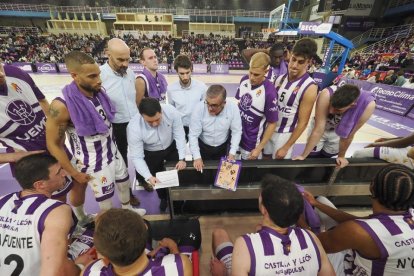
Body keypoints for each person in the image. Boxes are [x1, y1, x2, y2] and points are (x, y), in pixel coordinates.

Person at [46, 51, 146, 216]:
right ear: (74, 76)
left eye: (98, 75)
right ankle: (87, 219)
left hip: (112, 149)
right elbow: (53, 144)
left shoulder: (99, 93)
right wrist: (73, 172)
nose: (98, 80)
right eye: (92, 76)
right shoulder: (62, 106)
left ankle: (128, 210)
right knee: (105, 198)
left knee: (124, 182)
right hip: (92, 159)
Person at [210, 175, 335, 276]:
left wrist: (222, 274)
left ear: (264, 209)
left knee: (219, 234)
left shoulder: (244, 244)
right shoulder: (311, 236)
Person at [302, 164, 414, 276]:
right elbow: (363, 222)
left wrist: (299, 217)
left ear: (372, 188)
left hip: (347, 268)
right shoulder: (408, 215)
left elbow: (313, 244)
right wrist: (316, 203)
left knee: (303, 257)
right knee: (322, 200)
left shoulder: (356, 231)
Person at [0, 153, 95, 276]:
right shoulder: (57, 211)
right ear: (40, 184)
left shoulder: (2, 200)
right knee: (97, 237)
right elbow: (55, 271)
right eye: (59, 172)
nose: (64, 173)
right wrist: (80, 265)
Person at [0, 62, 78, 203]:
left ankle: (79, 218)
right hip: (31, 162)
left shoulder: (14, 72)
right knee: (52, 199)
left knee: (72, 182)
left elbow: (41, 99)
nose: (1, 74)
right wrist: (13, 156)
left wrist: (54, 124)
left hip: (54, 145)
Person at [81, 208, 193, 275]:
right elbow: (178, 263)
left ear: (104, 257)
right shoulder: (180, 264)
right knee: (191, 230)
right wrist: (173, 247)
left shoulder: (90, 271)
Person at [294, 84, 376, 168]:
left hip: (337, 132)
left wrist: (341, 156)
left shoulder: (368, 105)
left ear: (352, 105)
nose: (331, 111)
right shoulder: (327, 94)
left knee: (327, 156)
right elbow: (318, 129)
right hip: (320, 127)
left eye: (337, 109)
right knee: (312, 155)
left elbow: (349, 134)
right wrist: (303, 155)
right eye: (331, 106)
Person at [100, 38, 140, 206]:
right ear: (107, 54)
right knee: (121, 161)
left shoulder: (130, 73)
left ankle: (143, 179)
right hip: (116, 126)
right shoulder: (99, 75)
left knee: (140, 153)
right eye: (120, 60)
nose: (125, 64)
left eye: (128, 59)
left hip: (135, 122)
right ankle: (127, 192)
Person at [263, 38, 318, 160]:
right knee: (264, 162)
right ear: (290, 56)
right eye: (293, 59)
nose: (294, 65)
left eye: (300, 62)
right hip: (269, 129)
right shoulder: (279, 79)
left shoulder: (310, 87)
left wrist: (287, 146)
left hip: (284, 135)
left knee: (277, 171)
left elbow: (303, 122)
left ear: (308, 62)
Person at [127, 98, 186, 211]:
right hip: (151, 153)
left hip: (171, 147)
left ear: (161, 111)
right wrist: (148, 176)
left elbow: (179, 135)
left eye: (158, 119)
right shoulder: (133, 127)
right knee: (157, 179)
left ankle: (178, 201)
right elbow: (137, 157)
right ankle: (163, 198)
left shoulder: (172, 112)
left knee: (178, 176)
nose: (154, 124)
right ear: (141, 116)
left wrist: (182, 157)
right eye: (149, 121)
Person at [189, 85, 242, 171]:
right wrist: (197, 157)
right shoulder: (199, 108)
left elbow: (236, 132)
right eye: (207, 103)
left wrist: (232, 153)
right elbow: (193, 135)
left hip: (223, 147)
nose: (209, 108)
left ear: (224, 103)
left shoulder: (233, 108)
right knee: (203, 175)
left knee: (221, 174)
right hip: (203, 146)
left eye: (214, 105)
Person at [236, 52, 278, 160]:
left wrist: (259, 148)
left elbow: (272, 123)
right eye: (250, 72)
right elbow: (238, 105)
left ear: (266, 71)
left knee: (249, 175)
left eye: (256, 75)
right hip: (235, 138)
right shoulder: (244, 80)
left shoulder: (269, 92)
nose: (251, 78)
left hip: (251, 144)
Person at [167, 54, 207, 139]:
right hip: (180, 127)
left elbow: (205, 108)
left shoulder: (202, 87)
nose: (185, 77)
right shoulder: (171, 89)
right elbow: (171, 110)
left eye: (187, 72)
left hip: (197, 126)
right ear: (176, 71)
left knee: (197, 152)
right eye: (181, 73)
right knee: (178, 151)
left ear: (191, 70)